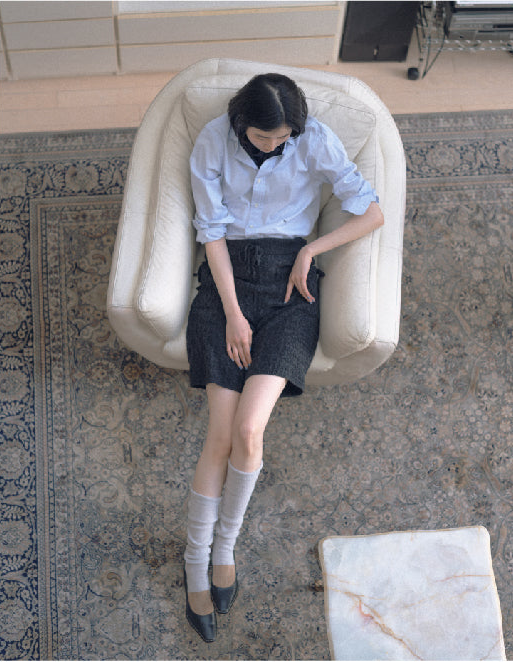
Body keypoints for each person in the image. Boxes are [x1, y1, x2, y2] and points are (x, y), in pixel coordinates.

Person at [183, 73, 384, 642]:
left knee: (249, 431)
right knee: (219, 437)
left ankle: (225, 548)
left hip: (291, 290)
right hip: (226, 283)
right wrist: (233, 314)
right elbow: (211, 233)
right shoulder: (212, 141)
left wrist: (311, 250)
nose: (275, 146)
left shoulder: (312, 138)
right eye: (264, 137)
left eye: (283, 138)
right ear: (241, 122)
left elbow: (371, 212)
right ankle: (195, 561)